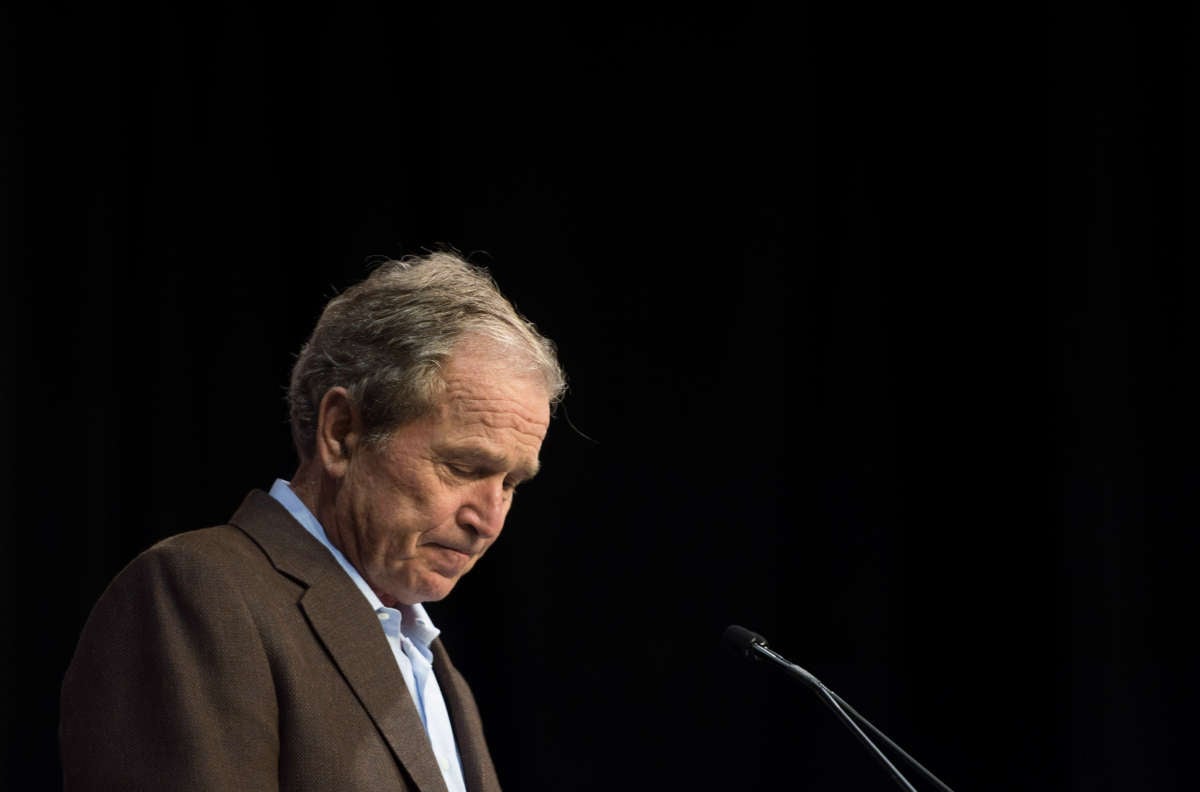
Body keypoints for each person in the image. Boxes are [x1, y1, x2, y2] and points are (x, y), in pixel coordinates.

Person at [59, 250, 568, 791]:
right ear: (342, 432)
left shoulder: (436, 668)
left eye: (511, 485)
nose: (488, 519)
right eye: (464, 467)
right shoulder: (199, 595)